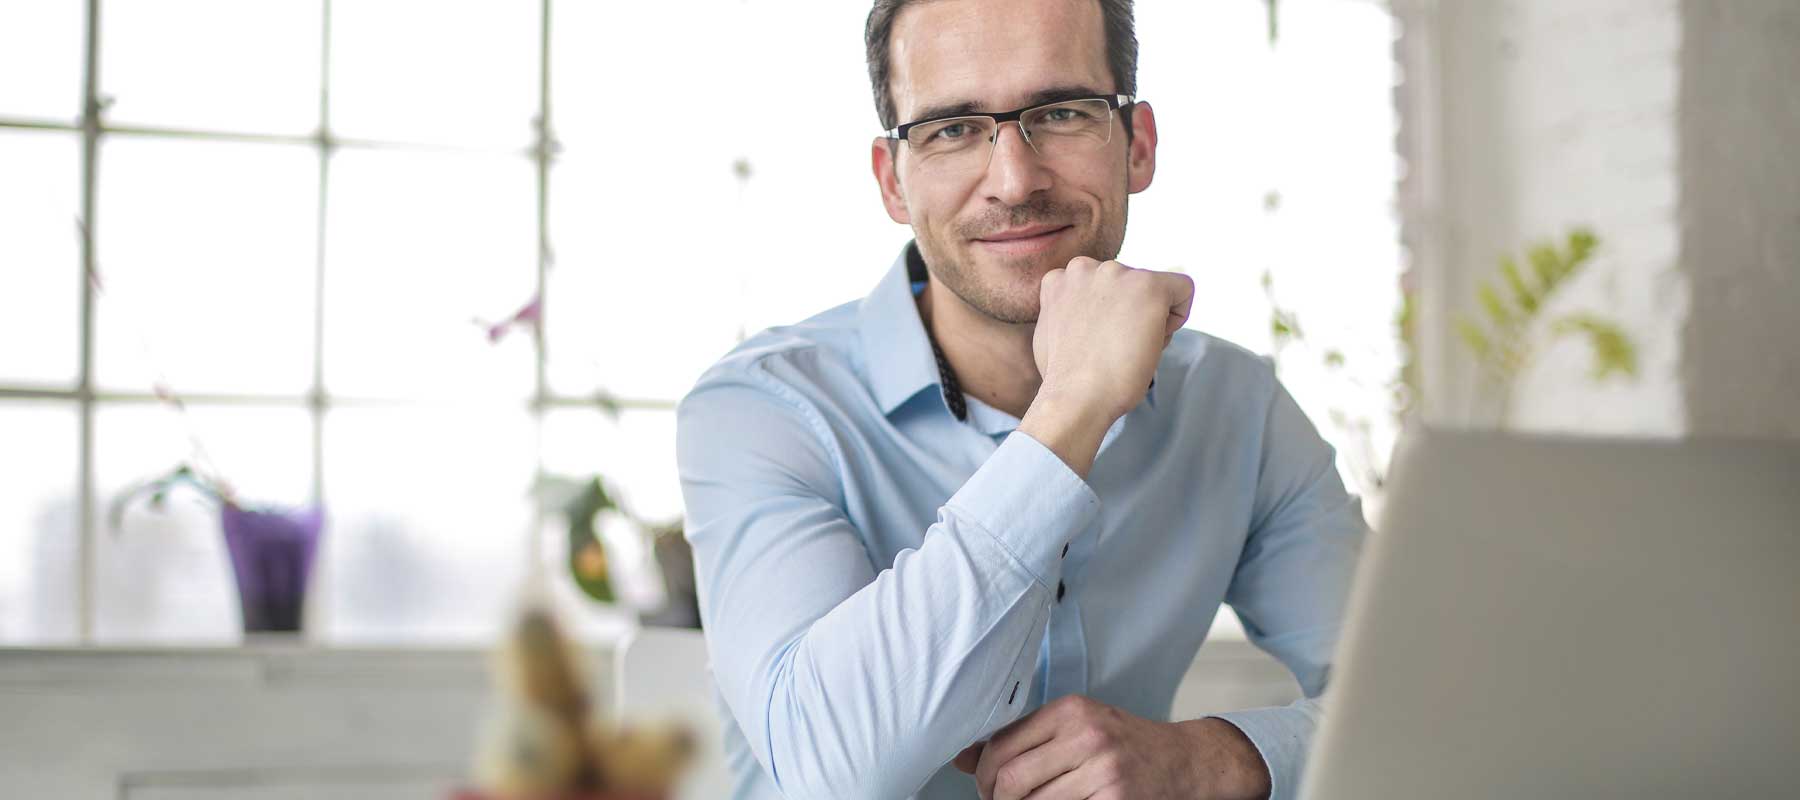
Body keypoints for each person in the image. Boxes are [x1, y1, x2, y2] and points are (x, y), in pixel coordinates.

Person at [674, 1, 1365, 797]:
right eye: (952, 129)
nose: (1014, 180)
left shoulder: (1237, 408)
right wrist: (1073, 408)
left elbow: (1424, 702)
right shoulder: (763, 410)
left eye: (1063, 112)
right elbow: (834, 767)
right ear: (892, 181)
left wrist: (1218, 759)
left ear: (1137, 145)